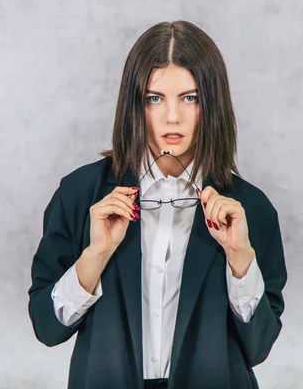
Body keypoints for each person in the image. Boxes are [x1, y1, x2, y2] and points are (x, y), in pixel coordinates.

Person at [28, 20, 287, 389]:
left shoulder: (250, 208)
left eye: (190, 97)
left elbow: (259, 347)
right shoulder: (80, 194)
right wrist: (96, 253)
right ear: (135, 103)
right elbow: (47, 326)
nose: (172, 117)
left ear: (212, 103)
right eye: (154, 98)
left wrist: (240, 258)